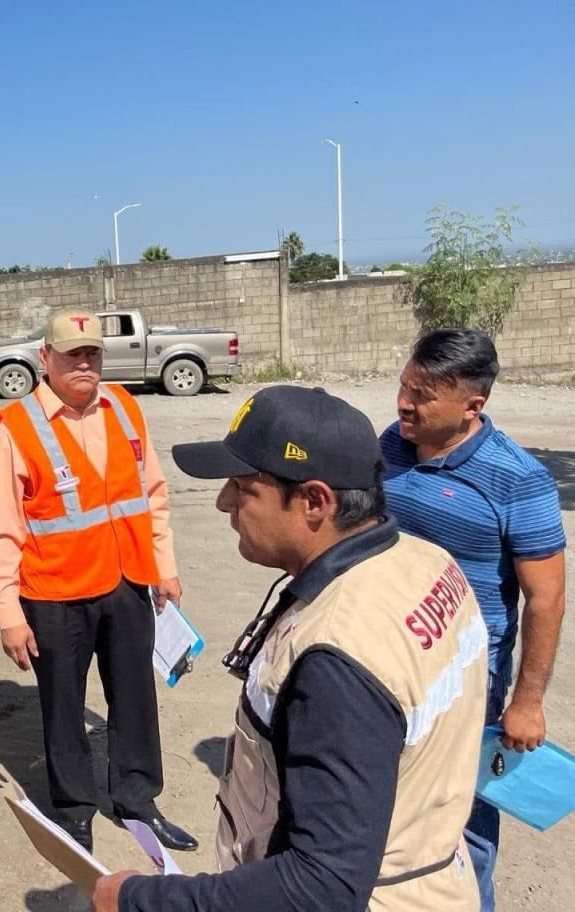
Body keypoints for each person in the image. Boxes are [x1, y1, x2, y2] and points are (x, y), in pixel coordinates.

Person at [96, 385, 488, 912]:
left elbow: (321, 885)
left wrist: (139, 900)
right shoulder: (426, 562)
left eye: (242, 487)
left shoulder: (339, 657)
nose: (223, 502)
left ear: (315, 502)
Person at [0, 308, 196, 854]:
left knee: (136, 697)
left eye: (92, 353)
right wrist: (8, 611)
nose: (84, 363)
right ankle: (74, 810)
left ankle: (137, 801)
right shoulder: (17, 427)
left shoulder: (123, 407)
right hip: (54, 593)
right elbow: (2, 527)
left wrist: (164, 565)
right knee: (63, 706)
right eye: (71, 354)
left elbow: (152, 493)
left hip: (127, 581)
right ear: (45, 358)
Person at [382, 329, 567, 910]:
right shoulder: (392, 444)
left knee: (463, 816)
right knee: (386, 795)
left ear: (472, 406)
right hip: (384, 650)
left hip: (465, 673)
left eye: (422, 395)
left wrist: (527, 702)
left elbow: (546, 598)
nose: (404, 404)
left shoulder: (518, 479)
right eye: (404, 386)